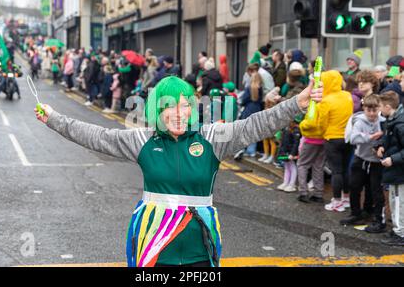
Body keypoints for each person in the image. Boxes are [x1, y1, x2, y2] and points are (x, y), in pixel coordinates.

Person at [34, 74, 323, 267]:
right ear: (157, 111)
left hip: (200, 247)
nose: (179, 113)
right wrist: (54, 119)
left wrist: (298, 102)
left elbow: (257, 124)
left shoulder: (212, 138)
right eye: (169, 106)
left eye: (185, 105)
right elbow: (95, 136)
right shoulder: (142, 140)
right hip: (154, 247)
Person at [341, 95, 386, 232]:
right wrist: (370, 137)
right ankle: (355, 213)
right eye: (368, 110)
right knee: (354, 186)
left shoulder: (383, 121)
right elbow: (353, 138)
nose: (372, 114)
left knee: (375, 190)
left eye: (374, 110)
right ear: (364, 108)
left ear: (379, 108)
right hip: (360, 158)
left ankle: (374, 215)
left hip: (376, 162)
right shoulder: (359, 121)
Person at [314, 71, 354, 212]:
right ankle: (346, 198)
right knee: (345, 170)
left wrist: (323, 133)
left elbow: (322, 123)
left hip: (332, 138)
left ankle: (336, 201)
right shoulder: (347, 96)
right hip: (348, 138)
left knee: (336, 171)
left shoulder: (326, 101)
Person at [377, 92, 404, 246]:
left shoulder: (400, 123)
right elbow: (389, 139)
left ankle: (401, 233)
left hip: (399, 171)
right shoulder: (392, 120)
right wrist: (380, 146)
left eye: (381, 106)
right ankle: (397, 229)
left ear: (387, 107)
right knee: (395, 200)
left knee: (399, 201)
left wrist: (392, 159)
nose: (380, 109)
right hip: (395, 170)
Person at [235, 63, 264, 159]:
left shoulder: (249, 88)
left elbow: (243, 100)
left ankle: (244, 149)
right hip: (257, 109)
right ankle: (252, 151)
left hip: (249, 109)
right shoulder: (260, 88)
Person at [277, 118, 302, 193]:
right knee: (287, 166)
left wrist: (292, 154)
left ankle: (292, 184)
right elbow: (283, 141)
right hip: (285, 152)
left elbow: (296, 144)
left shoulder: (296, 131)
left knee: (292, 167)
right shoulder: (286, 129)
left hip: (291, 153)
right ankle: (286, 182)